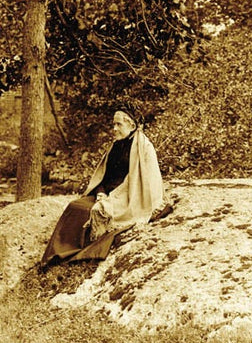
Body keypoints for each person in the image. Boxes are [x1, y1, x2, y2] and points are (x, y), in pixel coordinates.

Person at [41, 105, 167, 266]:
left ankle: (74, 252)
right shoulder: (115, 146)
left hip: (128, 197)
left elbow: (145, 182)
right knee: (75, 206)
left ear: (132, 125)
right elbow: (104, 176)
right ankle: (56, 255)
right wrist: (101, 193)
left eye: (118, 124)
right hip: (106, 194)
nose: (114, 129)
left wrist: (111, 198)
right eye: (113, 124)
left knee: (92, 211)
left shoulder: (145, 148)